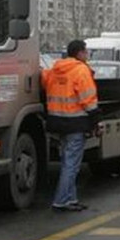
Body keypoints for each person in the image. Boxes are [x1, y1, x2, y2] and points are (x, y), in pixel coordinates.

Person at [42, 39, 102, 212]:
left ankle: (71, 199)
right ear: (80, 53)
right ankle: (61, 200)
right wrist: (96, 119)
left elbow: (44, 81)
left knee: (67, 162)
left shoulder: (55, 69)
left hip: (57, 122)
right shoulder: (81, 71)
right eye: (86, 51)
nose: (87, 55)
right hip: (76, 122)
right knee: (71, 165)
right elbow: (88, 99)